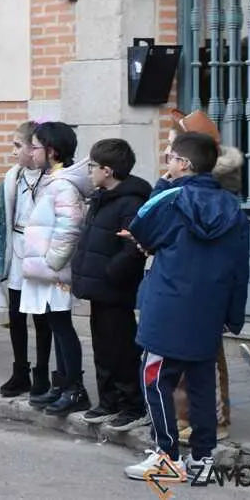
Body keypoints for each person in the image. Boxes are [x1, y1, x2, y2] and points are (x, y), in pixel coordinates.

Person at [123, 131, 249, 482]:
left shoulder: (171, 199)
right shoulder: (234, 208)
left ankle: (167, 455)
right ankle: (204, 458)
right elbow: (242, 268)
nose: (168, 161)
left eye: (171, 157)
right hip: (209, 308)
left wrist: (162, 185)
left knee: (154, 379)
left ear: (184, 164)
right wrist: (233, 316)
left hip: (168, 306)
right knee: (200, 384)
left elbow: (141, 228)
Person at [166, 108, 243, 443]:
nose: (169, 154)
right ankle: (184, 416)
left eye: (174, 147)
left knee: (207, 357)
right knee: (181, 355)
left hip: (207, 282)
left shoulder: (217, 187)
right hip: (183, 280)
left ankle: (214, 418)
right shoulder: (178, 183)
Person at [70, 139, 151, 430]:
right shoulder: (101, 196)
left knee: (121, 348)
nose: (88, 170)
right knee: (103, 346)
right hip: (99, 288)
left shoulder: (131, 201)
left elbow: (134, 246)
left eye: (92, 166)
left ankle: (133, 405)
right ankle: (108, 401)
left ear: (107, 170)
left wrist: (110, 272)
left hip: (116, 288)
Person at [20, 121, 91, 416]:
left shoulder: (63, 185)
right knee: (53, 324)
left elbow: (68, 229)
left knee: (62, 327)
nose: (32, 152)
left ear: (52, 151)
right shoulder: (52, 181)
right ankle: (61, 383)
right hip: (45, 270)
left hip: (54, 272)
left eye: (36, 147)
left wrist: (51, 263)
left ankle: (75, 388)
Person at [0, 121, 54, 398]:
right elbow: (3, 217)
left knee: (41, 316)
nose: (13, 152)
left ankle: (41, 372)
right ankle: (20, 370)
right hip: (16, 246)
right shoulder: (12, 177)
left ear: (34, 148)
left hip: (39, 249)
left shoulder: (50, 179)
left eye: (18, 146)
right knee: (16, 313)